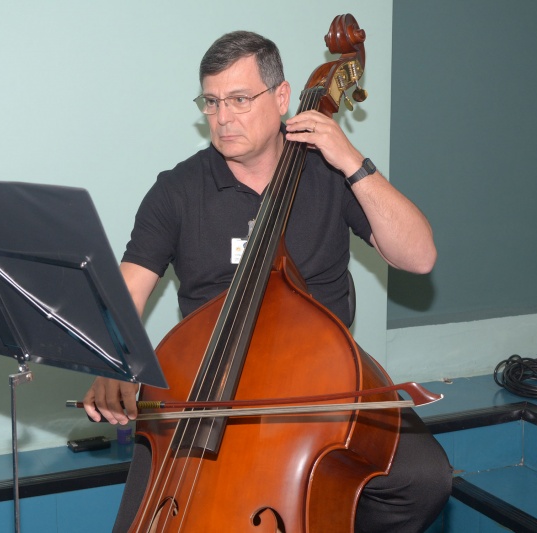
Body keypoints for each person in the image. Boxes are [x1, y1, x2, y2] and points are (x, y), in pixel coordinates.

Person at [83, 30, 452, 532]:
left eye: (238, 99)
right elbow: (128, 290)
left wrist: (352, 162)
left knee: (425, 478)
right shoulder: (176, 191)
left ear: (282, 98)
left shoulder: (330, 173)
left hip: (323, 387)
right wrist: (113, 362)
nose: (222, 117)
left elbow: (420, 256)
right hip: (205, 395)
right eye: (211, 102)